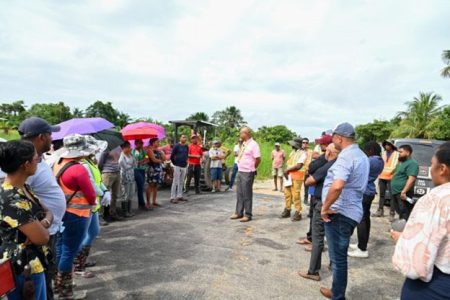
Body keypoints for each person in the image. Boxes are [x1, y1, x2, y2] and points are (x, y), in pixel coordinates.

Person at [391, 142, 450, 300]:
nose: (430, 169)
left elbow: (417, 262)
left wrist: (402, 240)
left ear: (442, 169)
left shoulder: (436, 199)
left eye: (432, 164)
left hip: (435, 285)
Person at [319, 122, 369, 299]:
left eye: (334, 138)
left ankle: (338, 296)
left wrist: (325, 208)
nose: (333, 141)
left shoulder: (347, 156)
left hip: (340, 213)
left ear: (339, 138)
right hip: (351, 211)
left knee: (338, 259)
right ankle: (336, 291)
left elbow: (338, 185)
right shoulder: (361, 155)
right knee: (339, 258)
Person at [19, 117, 65, 300]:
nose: (52, 137)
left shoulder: (36, 159)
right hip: (39, 232)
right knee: (42, 277)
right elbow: (19, 193)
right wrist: (44, 219)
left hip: (48, 228)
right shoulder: (25, 163)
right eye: (49, 134)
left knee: (47, 274)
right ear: (40, 137)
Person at [1, 140, 52, 300]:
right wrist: (43, 224)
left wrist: (42, 223)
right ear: (25, 164)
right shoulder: (12, 199)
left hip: (33, 263)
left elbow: (48, 212)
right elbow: (42, 238)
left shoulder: (24, 188)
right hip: (23, 269)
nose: (39, 160)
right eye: (36, 158)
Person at [53, 134, 97, 299]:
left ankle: (58, 284)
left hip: (62, 212)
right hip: (78, 214)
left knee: (61, 248)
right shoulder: (78, 168)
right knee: (69, 252)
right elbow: (91, 195)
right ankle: (65, 291)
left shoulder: (58, 164)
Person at [298, 143, 339, 282]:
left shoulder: (328, 166)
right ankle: (334, 264)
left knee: (318, 237)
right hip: (335, 203)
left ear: (329, 153)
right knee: (333, 236)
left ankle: (313, 271)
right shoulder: (341, 165)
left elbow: (310, 180)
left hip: (322, 202)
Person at [74, 136, 108, 279]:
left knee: (93, 232)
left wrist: (105, 190)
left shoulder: (90, 162)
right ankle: (78, 265)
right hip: (86, 204)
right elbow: (91, 184)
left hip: (93, 204)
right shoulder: (84, 164)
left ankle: (81, 261)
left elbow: (97, 180)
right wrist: (103, 193)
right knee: (86, 234)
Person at [348, 141, 384, 259]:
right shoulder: (380, 160)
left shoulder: (370, 160)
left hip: (364, 191)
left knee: (361, 220)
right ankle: (361, 244)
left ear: (370, 150)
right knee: (365, 219)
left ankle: (362, 249)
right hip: (370, 190)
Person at [298, 134, 332, 247]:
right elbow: (310, 167)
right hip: (315, 190)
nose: (319, 145)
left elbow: (312, 168)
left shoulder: (327, 158)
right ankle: (311, 238)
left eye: (321, 144)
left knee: (318, 219)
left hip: (321, 192)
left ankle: (317, 244)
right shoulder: (322, 156)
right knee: (312, 215)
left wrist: (319, 158)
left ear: (327, 145)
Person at [230, 127, 261, 223]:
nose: (240, 135)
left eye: (241, 133)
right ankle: (239, 212)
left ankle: (248, 214)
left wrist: (252, 168)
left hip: (248, 172)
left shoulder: (254, 144)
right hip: (241, 170)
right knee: (239, 192)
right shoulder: (244, 144)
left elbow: (258, 159)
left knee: (247, 193)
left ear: (246, 133)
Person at [280, 137, 307, 222]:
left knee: (296, 195)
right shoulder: (293, 152)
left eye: (293, 144)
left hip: (297, 177)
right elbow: (289, 163)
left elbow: (299, 166)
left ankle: (298, 212)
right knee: (287, 194)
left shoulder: (303, 153)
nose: (291, 145)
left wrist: (287, 170)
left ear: (297, 144)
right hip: (289, 176)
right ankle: (287, 209)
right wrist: (286, 170)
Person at [390, 145, 419, 221]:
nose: (399, 153)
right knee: (400, 211)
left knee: (404, 213)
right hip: (396, 192)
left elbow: (411, 178)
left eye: (401, 152)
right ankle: (401, 229)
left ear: (408, 153)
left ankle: (403, 230)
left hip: (403, 193)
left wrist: (404, 191)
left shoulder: (412, 163)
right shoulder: (401, 163)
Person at [373, 140, 399, 219]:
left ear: (392, 146)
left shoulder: (396, 154)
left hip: (391, 177)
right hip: (382, 177)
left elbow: (395, 166)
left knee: (392, 196)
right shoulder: (383, 153)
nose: (386, 146)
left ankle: (392, 213)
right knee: (382, 195)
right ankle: (380, 210)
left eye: (388, 144)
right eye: (385, 145)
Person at [98, 146, 123, 222]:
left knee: (115, 195)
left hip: (117, 172)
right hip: (107, 173)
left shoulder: (119, 147)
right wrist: (103, 171)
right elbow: (100, 162)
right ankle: (101, 215)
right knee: (104, 194)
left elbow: (117, 160)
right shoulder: (106, 148)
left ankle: (113, 212)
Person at [146, 138, 165, 209]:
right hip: (152, 169)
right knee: (150, 185)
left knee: (155, 185)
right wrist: (161, 161)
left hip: (158, 169)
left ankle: (154, 201)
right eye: (157, 142)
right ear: (153, 143)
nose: (159, 143)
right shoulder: (149, 150)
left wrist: (162, 153)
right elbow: (154, 160)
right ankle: (148, 203)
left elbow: (164, 158)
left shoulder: (158, 150)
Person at [119, 141, 137, 217]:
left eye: (130, 147)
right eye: (128, 147)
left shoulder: (130, 155)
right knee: (125, 193)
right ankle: (125, 211)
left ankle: (129, 210)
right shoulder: (122, 156)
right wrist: (131, 166)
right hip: (125, 177)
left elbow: (135, 165)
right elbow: (124, 166)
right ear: (123, 148)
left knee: (131, 193)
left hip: (131, 176)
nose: (130, 149)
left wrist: (134, 158)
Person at [170, 134, 189, 203]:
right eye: (183, 137)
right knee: (175, 181)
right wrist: (175, 163)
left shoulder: (186, 146)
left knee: (181, 181)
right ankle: (172, 197)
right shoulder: (177, 146)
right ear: (180, 138)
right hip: (177, 165)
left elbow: (186, 155)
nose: (185, 138)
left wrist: (186, 162)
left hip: (184, 165)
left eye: (185, 137)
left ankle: (179, 195)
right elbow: (172, 156)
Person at [132, 140, 149, 211]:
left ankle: (141, 204)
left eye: (142, 143)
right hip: (136, 169)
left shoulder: (143, 151)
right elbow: (133, 161)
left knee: (141, 187)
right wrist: (140, 161)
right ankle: (142, 204)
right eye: (140, 143)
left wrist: (145, 160)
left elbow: (147, 158)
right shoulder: (133, 151)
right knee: (141, 186)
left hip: (142, 169)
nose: (142, 144)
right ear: (136, 144)